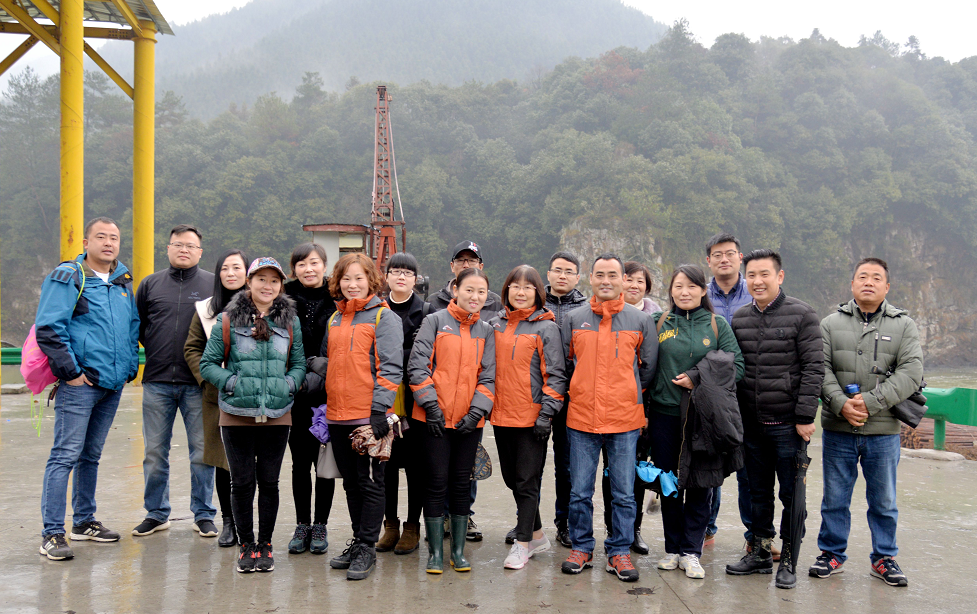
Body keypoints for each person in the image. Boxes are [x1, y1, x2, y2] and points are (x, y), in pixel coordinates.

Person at [809, 257, 922, 588]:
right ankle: (831, 553)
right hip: (838, 428)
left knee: (884, 500)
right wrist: (841, 403)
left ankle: (884, 557)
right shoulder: (830, 324)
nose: (868, 282)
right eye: (862, 277)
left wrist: (871, 402)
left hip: (883, 430)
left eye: (876, 278)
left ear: (887, 287)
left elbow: (911, 372)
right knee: (834, 498)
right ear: (852, 284)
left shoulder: (904, 325)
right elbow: (819, 368)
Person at [36, 217, 140, 560]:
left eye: (114, 238)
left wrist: (129, 369)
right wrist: (71, 373)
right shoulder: (69, 276)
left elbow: (131, 328)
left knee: (90, 455)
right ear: (86, 242)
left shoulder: (122, 281)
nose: (108, 243)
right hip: (80, 385)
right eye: (101, 237)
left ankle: (83, 521)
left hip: (112, 384)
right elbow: (50, 328)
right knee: (64, 455)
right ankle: (52, 533)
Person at [724, 250, 823, 589]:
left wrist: (805, 415)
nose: (757, 281)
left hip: (788, 425)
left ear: (779, 276)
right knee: (757, 493)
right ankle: (761, 553)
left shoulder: (803, 314)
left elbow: (814, 368)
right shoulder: (740, 318)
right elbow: (735, 369)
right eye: (751, 275)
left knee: (793, 496)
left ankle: (790, 559)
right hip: (751, 425)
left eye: (764, 274)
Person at [199, 257, 306, 574]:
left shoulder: (290, 322)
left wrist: (289, 385)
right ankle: (246, 545)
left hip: (277, 413)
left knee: (270, 483)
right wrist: (231, 383)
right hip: (236, 413)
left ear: (281, 285)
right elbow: (208, 364)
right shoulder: (228, 320)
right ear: (249, 282)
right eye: (261, 279)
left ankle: (265, 544)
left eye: (274, 280)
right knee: (242, 483)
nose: (267, 286)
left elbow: (298, 363)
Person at [560, 254, 658, 583]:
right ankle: (582, 548)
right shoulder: (574, 319)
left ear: (623, 280)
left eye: (613, 275)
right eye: (599, 274)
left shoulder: (639, 320)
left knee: (624, 493)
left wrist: (626, 395)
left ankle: (619, 551)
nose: (606, 281)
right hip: (582, 419)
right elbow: (566, 364)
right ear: (590, 278)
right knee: (579, 491)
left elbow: (648, 370)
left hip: (624, 421)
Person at [308, 253, 404, 581]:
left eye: (359, 278)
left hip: (368, 416)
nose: (352, 285)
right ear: (338, 282)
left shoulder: (383, 317)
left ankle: (367, 546)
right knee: (350, 484)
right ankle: (358, 540)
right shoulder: (335, 319)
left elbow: (391, 367)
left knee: (371, 483)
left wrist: (379, 409)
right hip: (337, 415)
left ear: (371, 281)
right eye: (346, 278)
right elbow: (330, 361)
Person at [648, 264, 744, 580]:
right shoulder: (659, 321)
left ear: (703, 290)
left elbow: (737, 366)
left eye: (692, 286)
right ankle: (672, 549)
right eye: (678, 286)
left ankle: (692, 551)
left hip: (703, 418)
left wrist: (697, 376)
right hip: (664, 415)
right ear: (671, 291)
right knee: (669, 484)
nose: (685, 292)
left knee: (701, 485)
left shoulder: (717, 325)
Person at [409, 267, 496, 574]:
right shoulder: (434, 321)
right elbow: (417, 366)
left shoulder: (486, 331)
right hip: (432, 419)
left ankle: (457, 552)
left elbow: (489, 375)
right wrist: (431, 406)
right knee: (435, 482)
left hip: (468, 423)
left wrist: (477, 412)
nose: (475, 296)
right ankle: (435, 553)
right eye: (469, 289)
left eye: (481, 292)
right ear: (455, 290)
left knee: (461, 483)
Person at [133, 225, 218, 539]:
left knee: (202, 451)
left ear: (200, 252)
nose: (184, 250)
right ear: (168, 248)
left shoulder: (213, 283)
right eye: (178, 244)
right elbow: (140, 327)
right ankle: (156, 513)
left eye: (190, 246)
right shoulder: (150, 284)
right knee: (155, 452)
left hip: (198, 383)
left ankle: (204, 514)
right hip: (157, 381)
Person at [489, 265, 566, 569]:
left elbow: (555, 375)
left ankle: (522, 545)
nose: (520, 292)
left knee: (526, 481)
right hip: (501, 415)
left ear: (538, 292)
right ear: (506, 289)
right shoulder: (495, 324)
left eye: (527, 287)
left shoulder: (546, 328)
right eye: (515, 286)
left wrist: (546, 414)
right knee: (512, 479)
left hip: (531, 418)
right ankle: (537, 534)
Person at [427, 240, 501, 541]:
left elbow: (491, 367)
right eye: (461, 260)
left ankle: (463, 516)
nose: (467, 264)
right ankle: (440, 520)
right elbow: (422, 360)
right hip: (438, 402)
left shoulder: (494, 304)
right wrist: (430, 402)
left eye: (473, 260)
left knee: (465, 469)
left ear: (481, 266)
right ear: (453, 267)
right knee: (437, 471)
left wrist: (478, 408)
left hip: (472, 403)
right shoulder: (433, 304)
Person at [184, 249, 250, 548]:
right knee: (224, 463)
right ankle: (229, 522)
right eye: (224, 268)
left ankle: (248, 523)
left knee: (251, 463)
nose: (230, 273)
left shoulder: (261, 305)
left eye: (236, 267)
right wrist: (209, 379)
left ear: (247, 273)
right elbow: (192, 348)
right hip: (218, 396)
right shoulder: (206, 310)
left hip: (256, 396)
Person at [600, 260, 662, 555]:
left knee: (635, 472)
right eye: (630, 279)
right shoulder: (603, 314)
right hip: (603, 409)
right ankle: (612, 529)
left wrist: (644, 410)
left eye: (641, 281)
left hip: (638, 410)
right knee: (609, 472)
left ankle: (633, 530)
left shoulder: (656, 319)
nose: (635, 285)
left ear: (647, 287)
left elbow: (650, 370)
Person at [283, 243, 337, 556]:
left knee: (324, 461)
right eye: (301, 264)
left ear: (324, 265)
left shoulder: (337, 295)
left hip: (330, 391)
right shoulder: (284, 296)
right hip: (295, 390)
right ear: (294, 269)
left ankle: (320, 524)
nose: (308, 269)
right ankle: (302, 524)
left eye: (314, 263)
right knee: (300, 462)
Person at [703, 232, 755, 551]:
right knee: (710, 464)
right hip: (710, 395)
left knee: (750, 469)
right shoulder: (699, 294)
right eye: (717, 255)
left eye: (730, 253)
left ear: (740, 257)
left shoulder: (755, 292)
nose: (724, 259)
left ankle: (755, 537)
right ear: (708, 261)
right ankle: (706, 528)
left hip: (750, 391)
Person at [376, 253, 429, 556]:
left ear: (415, 279)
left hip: (414, 400)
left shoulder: (427, 312)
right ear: (386, 277)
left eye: (407, 273)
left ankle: (412, 527)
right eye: (395, 271)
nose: (401, 277)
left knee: (415, 467)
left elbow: (426, 354)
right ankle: (391, 525)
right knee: (387, 465)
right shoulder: (377, 310)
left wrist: (396, 356)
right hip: (385, 399)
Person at [542, 251, 588, 549]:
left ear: (578, 278)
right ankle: (527, 523)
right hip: (536, 395)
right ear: (548, 274)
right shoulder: (535, 303)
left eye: (569, 271)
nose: (562, 276)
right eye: (557, 270)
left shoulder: (587, 309)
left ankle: (565, 523)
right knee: (529, 466)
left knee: (567, 466)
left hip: (573, 397)